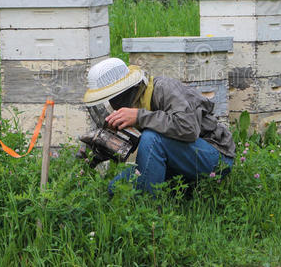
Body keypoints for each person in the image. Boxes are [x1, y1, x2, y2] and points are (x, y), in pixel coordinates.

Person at [82, 57, 235, 195]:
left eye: (111, 99)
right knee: (115, 189)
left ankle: (149, 213)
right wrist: (103, 147)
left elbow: (189, 129)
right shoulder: (134, 102)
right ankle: (183, 191)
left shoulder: (164, 88)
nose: (112, 104)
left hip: (215, 155)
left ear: (122, 92)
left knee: (152, 138)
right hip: (178, 158)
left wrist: (139, 117)